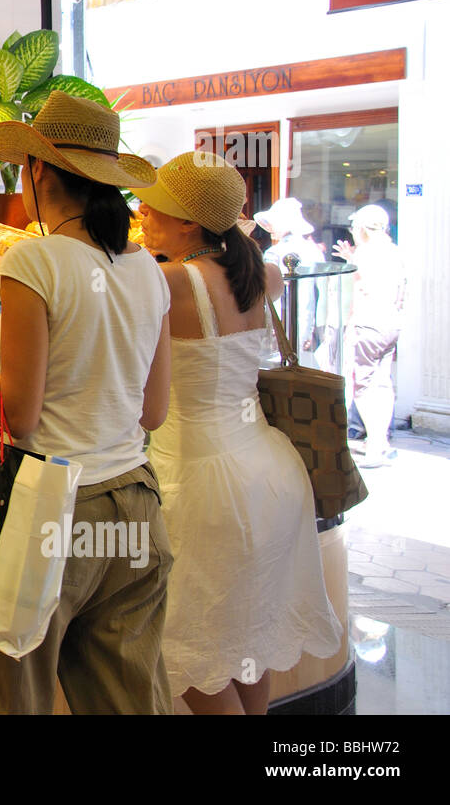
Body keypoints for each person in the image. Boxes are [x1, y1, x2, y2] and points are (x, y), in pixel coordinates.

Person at [0, 91, 174, 715]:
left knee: (6, 696)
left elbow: (18, 416)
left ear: (38, 169)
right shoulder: (148, 269)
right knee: (131, 699)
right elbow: (152, 412)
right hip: (134, 503)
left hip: (49, 513)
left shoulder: (32, 260)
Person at [135, 152, 343, 715]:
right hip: (268, 471)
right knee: (244, 638)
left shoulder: (171, 281)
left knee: (188, 648)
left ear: (188, 223)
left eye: (153, 207)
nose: (141, 214)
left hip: (201, 482)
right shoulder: (263, 272)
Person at [333, 204, 406, 467]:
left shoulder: (366, 253)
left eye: (354, 227)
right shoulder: (392, 251)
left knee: (362, 385)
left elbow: (358, 291)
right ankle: (381, 442)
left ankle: (375, 445)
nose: (352, 232)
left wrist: (348, 324)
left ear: (363, 228)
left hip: (367, 325)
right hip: (390, 324)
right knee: (383, 382)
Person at [253, 197, 325, 368]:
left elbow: (270, 296)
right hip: (308, 321)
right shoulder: (313, 251)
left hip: (283, 321)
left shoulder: (275, 253)